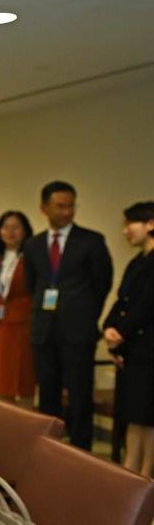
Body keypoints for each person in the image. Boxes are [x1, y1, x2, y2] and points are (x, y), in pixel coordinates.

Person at [23, 180, 113, 451]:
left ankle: (80, 451)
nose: (67, 212)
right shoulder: (33, 245)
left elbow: (102, 284)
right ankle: (48, 448)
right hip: (44, 331)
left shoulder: (91, 241)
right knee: (47, 393)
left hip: (78, 332)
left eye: (71, 206)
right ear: (44, 208)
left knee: (79, 394)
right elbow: (32, 285)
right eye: (60, 206)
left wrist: (83, 314)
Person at [103, 201, 154, 476]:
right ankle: (130, 468)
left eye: (130, 223)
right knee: (134, 415)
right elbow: (122, 300)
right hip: (133, 349)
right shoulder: (137, 262)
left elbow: (146, 306)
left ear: (150, 224)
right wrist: (109, 327)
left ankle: (145, 474)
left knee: (148, 416)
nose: (125, 231)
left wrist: (122, 332)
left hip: (148, 349)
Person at [0, 210, 36, 403]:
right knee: (1, 379)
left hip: (24, 325)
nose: (10, 232)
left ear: (25, 231)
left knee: (24, 379)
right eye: (5, 227)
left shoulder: (31, 257)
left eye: (16, 227)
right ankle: (5, 419)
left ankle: (25, 419)